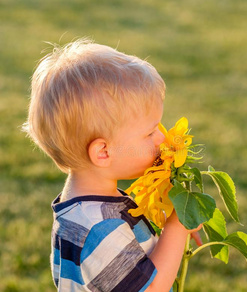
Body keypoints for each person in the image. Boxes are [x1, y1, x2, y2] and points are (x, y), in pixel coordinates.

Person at [23, 38, 202, 292]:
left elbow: (134, 270)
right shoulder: (98, 228)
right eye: (150, 133)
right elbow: (150, 289)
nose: (162, 139)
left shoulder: (86, 209)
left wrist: (170, 236)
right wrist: (177, 226)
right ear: (103, 152)